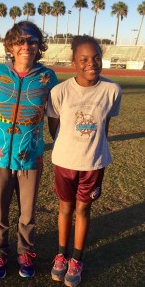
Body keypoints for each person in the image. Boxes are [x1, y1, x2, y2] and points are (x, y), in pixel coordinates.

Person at [0, 20, 58, 280]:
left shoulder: (47, 76)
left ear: (39, 46)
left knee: (27, 212)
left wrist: (57, 140)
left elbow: (54, 113)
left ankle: (25, 252)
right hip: (1, 155)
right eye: (20, 41)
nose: (26, 45)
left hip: (31, 156)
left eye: (32, 41)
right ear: (10, 45)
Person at [47, 35, 122, 287]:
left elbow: (105, 125)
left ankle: (77, 258)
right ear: (74, 62)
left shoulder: (112, 90)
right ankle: (61, 255)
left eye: (96, 58)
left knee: (83, 209)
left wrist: (94, 147)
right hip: (65, 161)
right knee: (65, 208)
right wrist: (67, 146)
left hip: (93, 162)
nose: (91, 63)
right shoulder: (59, 91)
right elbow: (53, 124)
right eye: (84, 59)